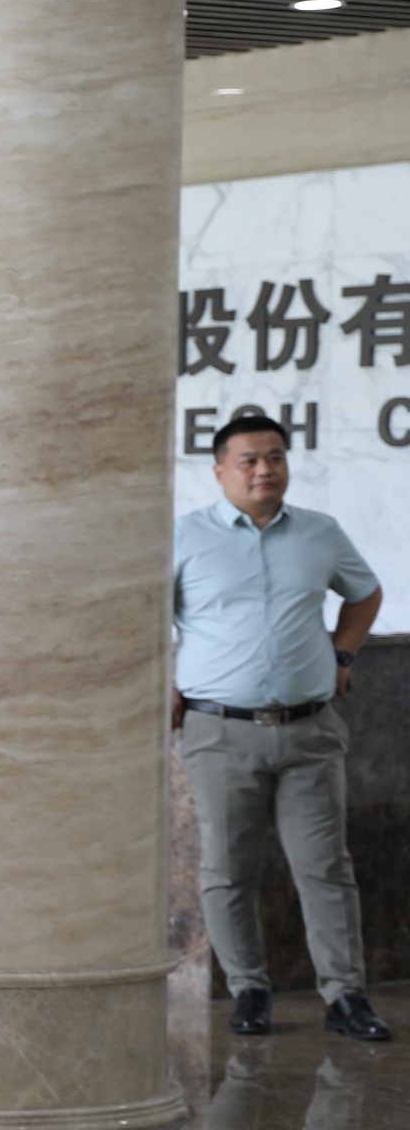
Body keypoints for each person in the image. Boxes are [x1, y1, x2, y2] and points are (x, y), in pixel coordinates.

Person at [173, 411, 389, 1041]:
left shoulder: (320, 533)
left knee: (326, 868)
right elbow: (144, 613)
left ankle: (346, 997)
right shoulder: (184, 537)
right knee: (227, 869)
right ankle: (249, 990)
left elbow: (365, 593)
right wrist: (164, 678)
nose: (264, 470)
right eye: (249, 460)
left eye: (275, 457)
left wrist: (343, 655)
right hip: (219, 733)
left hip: (308, 731)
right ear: (220, 471)